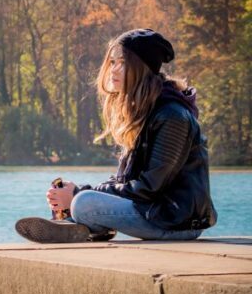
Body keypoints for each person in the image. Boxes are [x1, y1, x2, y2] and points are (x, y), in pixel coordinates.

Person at [15, 28, 217, 243]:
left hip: (176, 222)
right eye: (112, 62)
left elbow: (149, 187)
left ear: (141, 67)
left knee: (85, 202)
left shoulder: (172, 115)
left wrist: (78, 192)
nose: (114, 70)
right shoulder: (147, 112)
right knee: (84, 199)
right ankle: (82, 225)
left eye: (122, 63)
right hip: (156, 213)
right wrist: (77, 191)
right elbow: (126, 181)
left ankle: (82, 223)